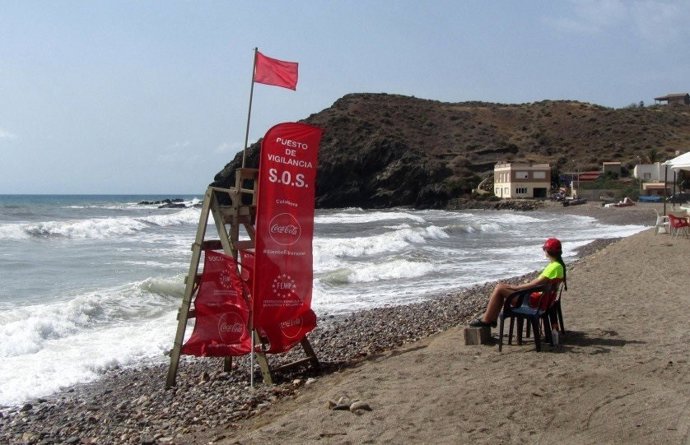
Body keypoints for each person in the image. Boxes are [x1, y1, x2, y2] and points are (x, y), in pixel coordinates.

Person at [469, 238, 567, 328]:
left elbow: (535, 284)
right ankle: (491, 320)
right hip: (542, 299)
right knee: (500, 288)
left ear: (547, 251)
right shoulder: (558, 265)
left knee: (499, 288)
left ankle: (487, 320)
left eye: (544, 249)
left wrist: (515, 287)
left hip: (534, 301)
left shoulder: (554, 267)